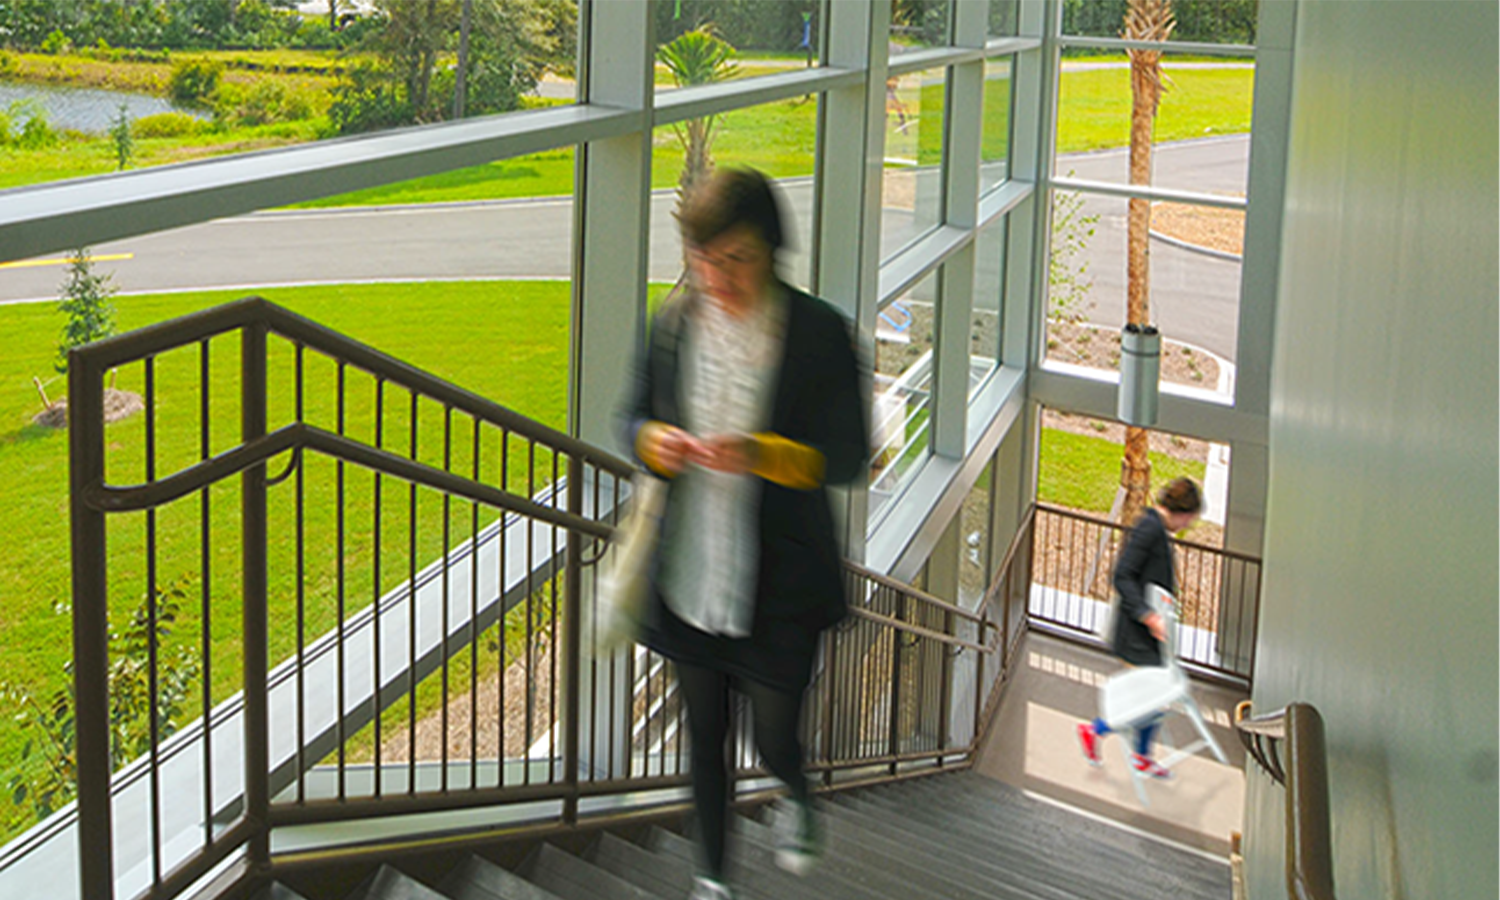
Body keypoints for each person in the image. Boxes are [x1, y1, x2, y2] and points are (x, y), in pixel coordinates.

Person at [619, 168, 869, 900]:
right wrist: (653, 440)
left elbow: (850, 457)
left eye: (737, 260)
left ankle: (795, 790)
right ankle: (712, 879)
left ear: (772, 252)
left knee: (773, 733)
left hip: (780, 580)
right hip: (689, 572)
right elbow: (630, 417)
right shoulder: (672, 321)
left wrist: (764, 453)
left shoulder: (820, 333)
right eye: (704, 260)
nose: (717, 277)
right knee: (703, 738)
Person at [1077, 477, 1203, 778]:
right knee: (1150, 700)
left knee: (1153, 699)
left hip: (1146, 636)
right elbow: (1121, 576)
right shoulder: (1150, 530)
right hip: (1137, 636)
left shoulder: (1153, 527)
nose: (1187, 526)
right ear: (1182, 512)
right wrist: (1149, 616)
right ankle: (1097, 732)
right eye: (1189, 519)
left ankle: (1139, 755)